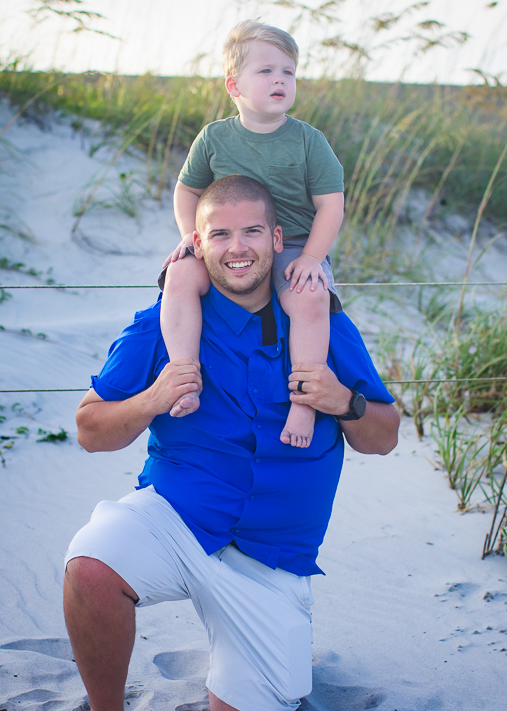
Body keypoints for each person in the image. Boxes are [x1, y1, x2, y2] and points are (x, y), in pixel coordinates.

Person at [64, 175, 399, 711]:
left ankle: (249, 650)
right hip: (178, 519)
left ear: (275, 238)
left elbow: (385, 438)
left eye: (251, 232)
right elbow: (89, 429)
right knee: (92, 563)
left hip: (272, 553)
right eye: (219, 233)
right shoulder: (161, 324)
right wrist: (153, 397)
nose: (237, 247)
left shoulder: (319, 322)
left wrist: (342, 401)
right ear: (196, 243)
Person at [159, 20, 345, 451]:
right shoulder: (214, 137)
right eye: (266, 71)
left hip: (293, 247)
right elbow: (186, 189)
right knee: (180, 277)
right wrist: (191, 235)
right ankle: (184, 377)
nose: (280, 79)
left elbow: (330, 205)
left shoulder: (308, 141)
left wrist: (313, 259)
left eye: (289, 72)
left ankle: (304, 399)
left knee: (311, 298)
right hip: (227, 245)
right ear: (234, 85)